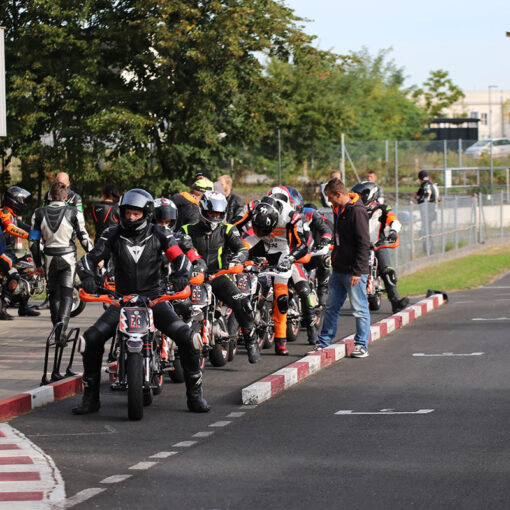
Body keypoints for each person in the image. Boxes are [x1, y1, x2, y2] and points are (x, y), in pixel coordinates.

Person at [73, 189, 209, 415]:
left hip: (155, 299)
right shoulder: (111, 234)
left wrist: (181, 275)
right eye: (127, 213)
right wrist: (87, 278)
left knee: (188, 338)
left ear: (145, 214)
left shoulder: (161, 234)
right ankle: (90, 399)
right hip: (121, 300)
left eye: (136, 214)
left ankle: (195, 396)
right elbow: (88, 260)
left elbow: (181, 260)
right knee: (90, 338)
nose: (131, 218)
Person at [181, 191, 260, 363]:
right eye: (211, 213)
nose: (214, 216)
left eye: (218, 213)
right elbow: (178, 249)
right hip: (193, 277)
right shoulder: (186, 229)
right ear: (203, 210)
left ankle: (250, 340)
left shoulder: (228, 229)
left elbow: (242, 248)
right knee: (174, 306)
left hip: (219, 275)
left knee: (243, 303)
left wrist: (238, 260)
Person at [235, 190, 308, 355]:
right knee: (237, 257)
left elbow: (302, 244)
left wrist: (289, 259)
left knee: (281, 297)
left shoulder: (292, 216)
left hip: (282, 249)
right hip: (257, 240)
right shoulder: (253, 206)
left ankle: (280, 341)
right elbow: (233, 225)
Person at [29, 182, 94, 342]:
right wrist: (94, 258)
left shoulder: (38, 213)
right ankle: (62, 332)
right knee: (66, 295)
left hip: (49, 258)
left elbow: (33, 242)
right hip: (68, 258)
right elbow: (84, 238)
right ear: (66, 197)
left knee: (53, 295)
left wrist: (38, 264)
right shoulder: (74, 212)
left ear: (50, 196)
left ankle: (57, 331)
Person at [316, 178, 371, 358]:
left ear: (338, 194)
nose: (329, 201)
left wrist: (358, 271)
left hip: (354, 271)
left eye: (330, 197)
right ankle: (324, 341)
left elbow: (364, 244)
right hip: (339, 269)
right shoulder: (339, 209)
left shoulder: (357, 211)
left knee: (359, 308)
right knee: (331, 306)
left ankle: (361, 345)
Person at [352, 181, 409, 313]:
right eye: (357, 194)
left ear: (370, 194)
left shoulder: (383, 208)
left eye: (361, 194)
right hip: (359, 246)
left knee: (388, 272)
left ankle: (395, 302)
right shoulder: (353, 209)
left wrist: (393, 232)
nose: (358, 197)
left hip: (378, 244)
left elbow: (394, 220)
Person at [0, 186, 40, 319]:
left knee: (29, 270)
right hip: (1, 253)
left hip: (10, 254)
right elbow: (10, 228)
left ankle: (23, 307)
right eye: (21, 200)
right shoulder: (4, 212)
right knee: (14, 276)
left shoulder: (14, 216)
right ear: (13, 200)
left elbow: (29, 229)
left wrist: (44, 235)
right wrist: (28, 236)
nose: (23, 203)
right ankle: (2, 308)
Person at [415, 170, 439, 255]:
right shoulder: (433, 185)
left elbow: (425, 199)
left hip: (428, 213)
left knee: (426, 231)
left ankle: (428, 251)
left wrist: (417, 198)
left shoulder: (426, 186)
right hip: (433, 212)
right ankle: (428, 250)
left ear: (420, 179)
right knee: (427, 231)